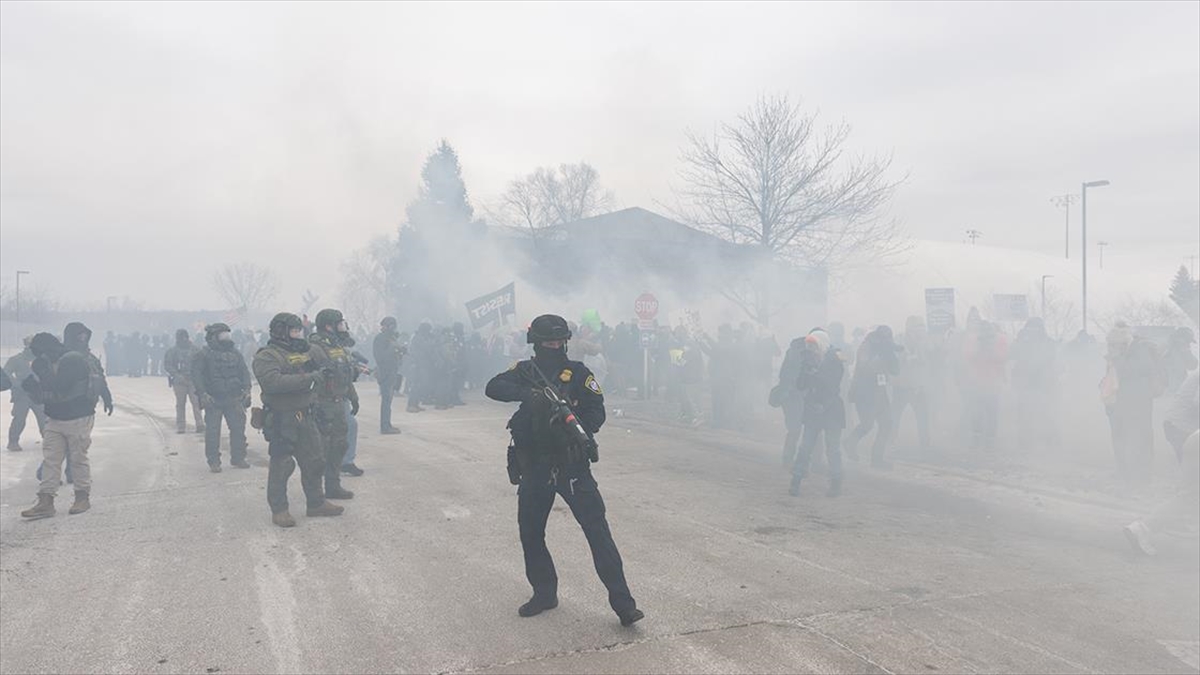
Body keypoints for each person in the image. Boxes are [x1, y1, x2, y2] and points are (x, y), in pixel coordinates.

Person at [485, 314, 643, 627]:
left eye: (559, 341)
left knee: (598, 533)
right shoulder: (525, 372)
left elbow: (597, 412)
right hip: (535, 468)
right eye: (548, 342)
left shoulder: (580, 374)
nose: (554, 346)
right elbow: (493, 387)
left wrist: (573, 426)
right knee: (530, 533)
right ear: (537, 343)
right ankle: (544, 593)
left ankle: (624, 605)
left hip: (571, 464)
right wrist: (528, 396)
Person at [252, 312, 344, 527]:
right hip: (282, 417)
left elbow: (322, 366)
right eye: (293, 331)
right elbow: (273, 382)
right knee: (282, 464)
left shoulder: (304, 352)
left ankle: (316, 502)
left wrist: (327, 373)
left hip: (306, 413)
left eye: (298, 330)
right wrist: (310, 378)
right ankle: (280, 509)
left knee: (315, 460)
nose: (297, 334)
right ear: (281, 331)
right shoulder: (267, 356)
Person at [19, 331, 111, 519]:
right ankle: (46, 501)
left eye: (39, 352)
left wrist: (41, 372)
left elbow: (60, 386)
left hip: (78, 417)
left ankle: (82, 497)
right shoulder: (46, 362)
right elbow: (46, 392)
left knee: (78, 459)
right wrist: (32, 388)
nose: (39, 356)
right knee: (50, 460)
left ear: (47, 348)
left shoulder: (72, 360)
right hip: (55, 417)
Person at [307, 309, 359, 500]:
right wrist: (312, 404)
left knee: (339, 446)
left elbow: (345, 375)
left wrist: (353, 397)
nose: (342, 327)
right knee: (320, 450)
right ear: (329, 326)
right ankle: (315, 493)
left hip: (339, 402)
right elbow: (308, 378)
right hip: (323, 404)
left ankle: (333, 486)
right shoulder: (314, 348)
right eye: (339, 324)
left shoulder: (338, 347)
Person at [789, 329, 847, 497]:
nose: (811, 350)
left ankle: (836, 484)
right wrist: (805, 369)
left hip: (831, 409)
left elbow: (833, 385)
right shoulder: (808, 361)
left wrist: (816, 373)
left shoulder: (835, 360)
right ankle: (796, 480)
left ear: (821, 345)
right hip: (813, 409)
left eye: (813, 346)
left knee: (833, 449)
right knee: (805, 447)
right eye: (808, 347)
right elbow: (800, 385)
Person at [1102, 323, 1160, 488]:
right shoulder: (1119, 354)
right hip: (1119, 405)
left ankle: (1142, 476)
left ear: (1123, 342)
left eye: (1113, 344)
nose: (1111, 347)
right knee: (1120, 438)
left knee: (1141, 439)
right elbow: (1112, 378)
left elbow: (1143, 368)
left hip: (1138, 404)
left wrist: (1117, 361)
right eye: (1110, 344)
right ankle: (1124, 473)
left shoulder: (1139, 350)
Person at [192, 322, 252, 472]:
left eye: (227, 335)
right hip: (214, 399)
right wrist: (203, 394)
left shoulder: (235, 353)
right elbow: (197, 376)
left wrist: (247, 389)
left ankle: (238, 458)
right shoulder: (203, 354)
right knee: (212, 432)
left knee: (238, 430)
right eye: (222, 335)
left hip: (234, 397)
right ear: (213, 337)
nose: (226, 338)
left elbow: (244, 372)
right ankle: (214, 461)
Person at [845, 326, 900, 469]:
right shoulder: (866, 347)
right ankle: (850, 442)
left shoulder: (885, 349)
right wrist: (879, 356)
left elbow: (895, 370)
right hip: (864, 392)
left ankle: (877, 459)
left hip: (880, 392)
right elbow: (865, 367)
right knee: (867, 425)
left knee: (887, 424)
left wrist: (889, 354)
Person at [1009, 317, 1059, 450]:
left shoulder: (1048, 343)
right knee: (1024, 413)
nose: (1033, 331)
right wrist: (1019, 340)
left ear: (1041, 329)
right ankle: (1024, 442)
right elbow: (1011, 354)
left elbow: (1051, 360)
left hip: (1042, 383)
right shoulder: (1022, 341)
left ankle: (1049, 440)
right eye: (1030, 328)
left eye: (1035, 328)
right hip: (1025, 383)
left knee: (1043, 412)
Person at [5, 336, 47, 452]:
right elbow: (6, 372)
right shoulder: (16, 359)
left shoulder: (42, 359)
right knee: (19, 419)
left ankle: (49, 441)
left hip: (38, 394)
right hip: (22, 395)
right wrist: (16, 384)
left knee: (44, 418)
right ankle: (13, 442)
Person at [775, 337, 809, 467]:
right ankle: (790, 458)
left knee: (795, 429)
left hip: (793, 396)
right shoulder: (798, 355)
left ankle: (790, 458)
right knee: (797, 429)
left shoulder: (793, 352)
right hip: (794, 396)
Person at [163, 329, 204, 434]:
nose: (183, 339)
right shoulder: (172, 351)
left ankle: (199, 424)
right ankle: (181, 426)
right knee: (181, 404)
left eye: (184, 337)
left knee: (196, 403)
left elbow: (201, 364)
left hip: (193, 380)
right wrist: (177, 375)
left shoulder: (195, 350)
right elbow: (168, 365)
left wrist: (197, 376)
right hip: (179, 381)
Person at [373, 316, 405, 434]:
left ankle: (387, 424)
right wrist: (393, 349)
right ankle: (385, 426)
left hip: (392, 371)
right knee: (386, 400)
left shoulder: (391, 338)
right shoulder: (380, 339)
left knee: (389, 400)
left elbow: (395, 354)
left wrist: (400, 351)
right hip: (385, 372)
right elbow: (380, 357)